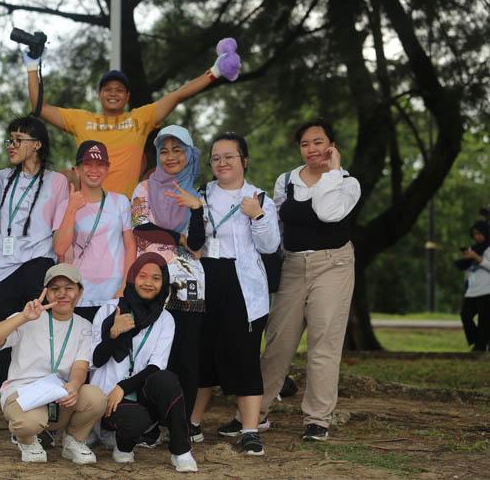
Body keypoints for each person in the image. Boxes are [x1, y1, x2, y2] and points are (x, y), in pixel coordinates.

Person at [170, 132, 279, 455]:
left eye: (229, 156)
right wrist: (194, 215)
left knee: (244, 357)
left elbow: (270, 246)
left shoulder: (259, 198)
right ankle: (192, 424)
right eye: (216, 158)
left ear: (244, 160)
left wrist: (257, 215)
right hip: (204, 282)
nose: (222, 163)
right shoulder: (200, 195)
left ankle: (249, 430)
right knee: (201, 355)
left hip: (242, 287)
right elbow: (189, 239)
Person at [23, 41, 241, 197]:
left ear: (127, 97)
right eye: (107, 89)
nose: (113, 93)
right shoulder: (80, 119)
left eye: (119, 90)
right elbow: (39, 107)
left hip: (123, 211)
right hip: (85, 210)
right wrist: (32, 66)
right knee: (61, 177)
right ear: (99, 95)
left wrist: (214, 71)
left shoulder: (140, 118)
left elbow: (178, 95)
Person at [259, 118, 361, 441]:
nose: (312, 149)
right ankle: (253, 412)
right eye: (305, 144)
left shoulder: (347, 182)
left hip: (333, 265)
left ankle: (317, 418)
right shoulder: (286, 181)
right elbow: (277, 226)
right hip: (292, 265)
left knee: (323, 342)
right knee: (278, 340)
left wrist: (332, 171)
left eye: (318, 142)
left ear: (332, 145)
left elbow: (328, 212)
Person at [0, 264, 106, 464]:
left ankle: (74, 440)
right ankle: (27, 441)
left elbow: (80, 366)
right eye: (55, 289)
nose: (62, 294)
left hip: (59, 394)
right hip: (23, 393)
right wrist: (23, 317)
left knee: (96, 397)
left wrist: (74, 385)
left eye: (69, 288)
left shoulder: (84, 326)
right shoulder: (29, 317)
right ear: (46, 293)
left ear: (79, 292)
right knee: (28, 423)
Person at [0, 116, 69, 390]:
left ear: (37, 145)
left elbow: (60, 233)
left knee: (38, 337)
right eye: (10, 139)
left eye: (18, 140)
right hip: (0, 272)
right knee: (3, 340)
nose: (11, 145)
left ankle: (40, 401)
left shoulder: (56, 181)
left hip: (36, 266)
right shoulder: (3, 178)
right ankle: (9, 401)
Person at [90, 252, 198, 473]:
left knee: (167, 380)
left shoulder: (165, 319)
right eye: (142, 276)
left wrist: (124, 386)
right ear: (132, 278)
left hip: (138, 392)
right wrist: (113, 334)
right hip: (108, 397)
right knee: (134, 420)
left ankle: (181, 451)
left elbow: (156, 366)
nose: (149, 283)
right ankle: (123, 447)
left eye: (156, 278)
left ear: (164, 283)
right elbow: (96, 360)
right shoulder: (109, 310)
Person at [130, 125, 205, 438]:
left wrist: (196, 209)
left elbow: (198, 243)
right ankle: (147, 422)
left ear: (189, 153)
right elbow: (141, 227)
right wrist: (179, 238)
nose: (171, 156)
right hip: (151, 279)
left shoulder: (197, 194)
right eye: (164, 150)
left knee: (185, 356)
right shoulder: (144, 188)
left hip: (188, 283)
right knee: (148, 352)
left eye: (178, 150)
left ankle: (181, 424)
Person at [53, 140, 136, 322]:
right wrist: (72, 208)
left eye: (100, 164)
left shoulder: (120, 202)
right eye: (88, 164)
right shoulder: (65, 206)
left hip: (114, 293)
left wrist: (125, 286)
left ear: (107, 169)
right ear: (77, 170)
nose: (94, 170)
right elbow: (60, 249)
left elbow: (130, 246)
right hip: (79, 294)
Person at [457, 220, 490, 351]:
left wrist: (477, 258)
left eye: (480, 233)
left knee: (484, 322)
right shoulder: (474, 249)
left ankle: (479, 348)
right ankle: (479, 342)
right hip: (472, 290)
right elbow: (469, 270)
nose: (477, 236)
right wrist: (467, 258)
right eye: (475, 234)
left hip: (487, 290)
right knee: (465, 316)